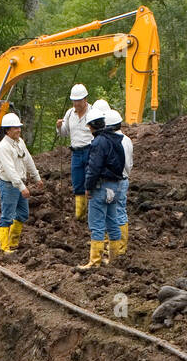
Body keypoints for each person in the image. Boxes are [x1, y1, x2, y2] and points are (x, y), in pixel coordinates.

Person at [79, 100, 127, 272]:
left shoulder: (98, 143)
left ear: (91, 126)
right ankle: (115, 258)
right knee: (112, 222)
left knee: (97, 224)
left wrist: (88, 187)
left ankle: (95, 261)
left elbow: (93, 168)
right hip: (115, 186)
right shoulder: (116, 140)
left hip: (100, 187)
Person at [0, 112, 43, 255]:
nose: (18, 130)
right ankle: (4, 248)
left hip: (20, 182)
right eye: (15, 128)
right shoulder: (3, 148)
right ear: (7, 130)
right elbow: (10, 171)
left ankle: (13, 242)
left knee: (22, 213)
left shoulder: (19, 142)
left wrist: (36, 177)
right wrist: (22, 187)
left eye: (19, 127)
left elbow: (28, 159)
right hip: (10, 185)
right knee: (7, 216)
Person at [56, 83, 94, 219]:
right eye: (74, 101)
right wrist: (59, 127)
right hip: (76, 152)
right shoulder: (69, 113)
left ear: (85, 99)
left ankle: (93, 213)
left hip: (91, 150)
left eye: (78, 101)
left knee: (91, 182)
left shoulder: (93, 112)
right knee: (77, 183)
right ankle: (80, 214)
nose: (76, 104)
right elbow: (64, 133)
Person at [101, 106, 133, 262]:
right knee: (121, 212)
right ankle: (120, 246)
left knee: (113, 213)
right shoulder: (127, 140)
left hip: (113, 181)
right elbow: (130, 164)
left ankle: (116, 247)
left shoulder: (112, 142)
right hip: (124, 179)